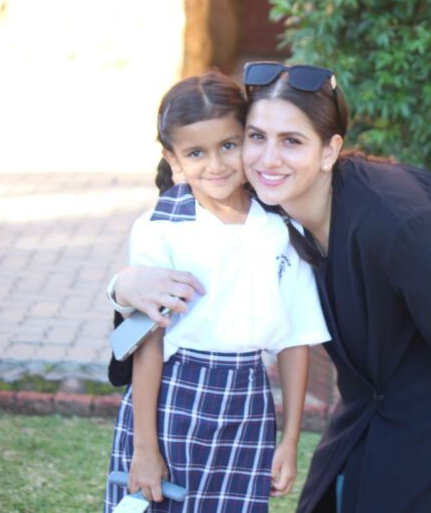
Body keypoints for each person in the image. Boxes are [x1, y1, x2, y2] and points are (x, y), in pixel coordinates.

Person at [114, 62, 431, 512]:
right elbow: (179, 231)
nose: (268, 158)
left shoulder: (395, 222)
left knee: (429, 463)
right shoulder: (255, 185)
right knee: (355, 457)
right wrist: (122, 285)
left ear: (329, 151)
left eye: (291, 141)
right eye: (256, 137)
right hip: (411, 341)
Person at [103, 69, 330, 512]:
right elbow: (148, 343)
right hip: (172, 399)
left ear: (248, 137)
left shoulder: (281, 227)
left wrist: (290, 440)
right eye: (196, 152)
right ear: (173, 158)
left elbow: (295, 338)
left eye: (229, 145)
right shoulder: (160, 230)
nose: (217, 165)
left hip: (248, 403)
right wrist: (145, 449)